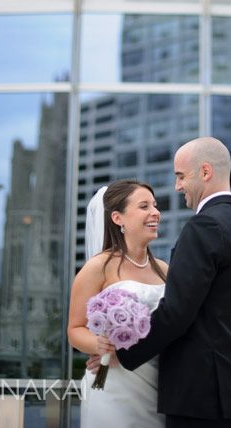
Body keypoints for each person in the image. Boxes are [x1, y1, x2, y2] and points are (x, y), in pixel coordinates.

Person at [116, 137, 231, 428]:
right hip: (225, 390)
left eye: (181, 176)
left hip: (197, 395)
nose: (178, 186)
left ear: (205, 172)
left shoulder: (204, 226)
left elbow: (176, 312)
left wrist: (122, 352)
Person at [67, 179, 168, 428]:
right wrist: (101, 346)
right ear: (117, 218)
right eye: (144, 206)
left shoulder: (166, 270)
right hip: (114, 385)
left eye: (154, 205)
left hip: (159, 384)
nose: (155, 212)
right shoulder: (98, 267)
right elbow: (75, 329)